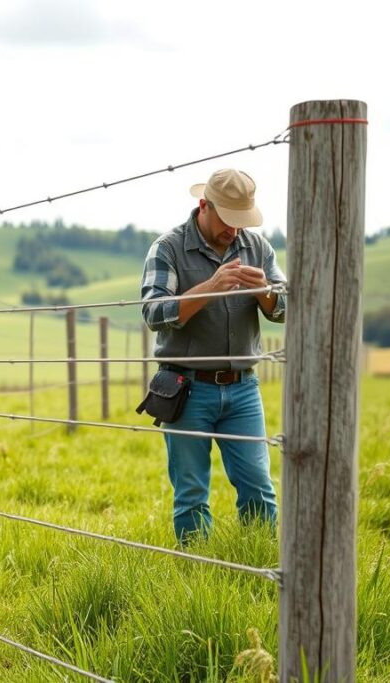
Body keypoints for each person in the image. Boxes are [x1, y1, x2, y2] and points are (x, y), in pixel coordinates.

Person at [139, 168, 286, 543]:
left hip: (244, 390)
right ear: (204, 205)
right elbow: (154, 313)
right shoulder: (168, 247)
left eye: (242, 222)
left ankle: (259, 562)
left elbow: (288, 307)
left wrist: (265, 293)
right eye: (228, 220)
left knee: (258, 486)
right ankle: (197, 572)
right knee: (191, 494)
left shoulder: (259, 248)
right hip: (186, 388)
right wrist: (210, 286)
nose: (235, 231)